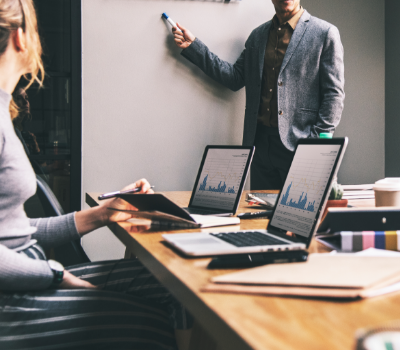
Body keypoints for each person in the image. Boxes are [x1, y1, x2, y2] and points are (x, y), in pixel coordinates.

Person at [0, 1, 192, 349]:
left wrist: (106, 212)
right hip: (12, 302)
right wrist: (58, 276)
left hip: (28, 277)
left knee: (176, 280)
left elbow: (12, 233)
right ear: (20, 38)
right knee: (152, 322)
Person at [172, 0, 345, 190]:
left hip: (300, 145)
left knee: (298, 216)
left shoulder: (325, 33)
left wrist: (316, 143)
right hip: (259, 145)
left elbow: (334, 94)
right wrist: (194, 47)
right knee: (260, 216)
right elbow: (235, 77)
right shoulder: (258, 36)